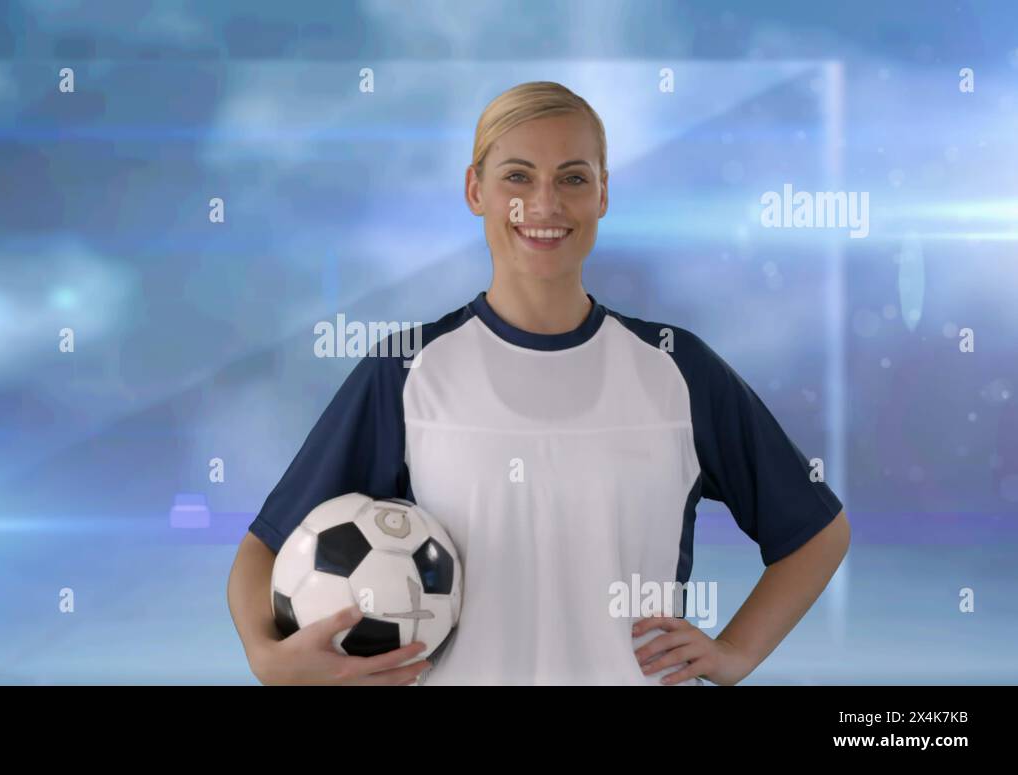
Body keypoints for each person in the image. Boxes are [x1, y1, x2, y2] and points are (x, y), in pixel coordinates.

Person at [226, 80, 850, 685]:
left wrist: (735, 653)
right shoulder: (409, 371)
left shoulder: (676, 368)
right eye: (518, 176)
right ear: (476, 190)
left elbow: (818, 533)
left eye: (573, 178)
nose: (544, 204)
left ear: (603, 193)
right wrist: (266, 656)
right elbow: (264, 549)